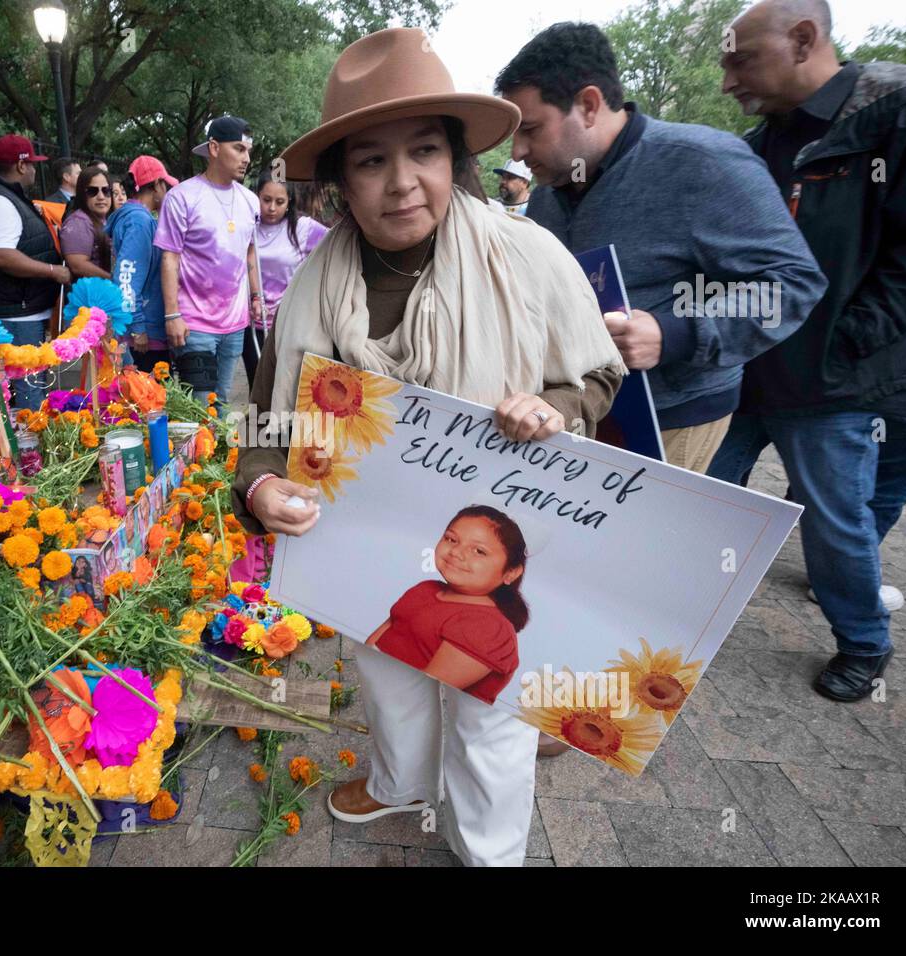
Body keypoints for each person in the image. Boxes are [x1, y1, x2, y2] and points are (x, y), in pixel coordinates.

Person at [234, 28, 625, 866]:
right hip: (368, 533)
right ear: (341, 180)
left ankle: (488, 850)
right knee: (389, 666)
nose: (403, 182)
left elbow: (596, 374)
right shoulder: (316, 281)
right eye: (371, 161)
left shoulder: (525, 255)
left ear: (455, 160)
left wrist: (551, 406)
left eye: (425, 151)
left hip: (497, 529)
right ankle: (401, 782)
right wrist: (262, 487)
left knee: (489, 704)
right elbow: (268, 419)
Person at [708, 0, 906, 701]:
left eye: (740, 59)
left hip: (835, 381)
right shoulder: (753, 146)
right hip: (745, 368)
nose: (726, 80)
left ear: (804, 39)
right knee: (698, 493)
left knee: (834, 523)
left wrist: (845, 343)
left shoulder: (902, 109)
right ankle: (672, 608)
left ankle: (864, 642)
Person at [496, 22, 826, 474]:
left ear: (589, 105)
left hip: (673, 416)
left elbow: (792, 286)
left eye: (531, 129)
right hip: (575, 408)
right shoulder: (550, 192)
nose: (519, 150)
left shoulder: (703, 163)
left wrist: (674, 333)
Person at [366, 506, 526, 706]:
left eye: (479, 551)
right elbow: (373, 644)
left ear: (511, 572)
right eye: (451, 539)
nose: (457, 552)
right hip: (373, 689)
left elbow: (423, 694)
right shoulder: (426, 589)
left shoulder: (488, 627)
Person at [156, 115, 264, 404]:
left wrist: (255, 296)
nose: (246, 159)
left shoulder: (250, 201)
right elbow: (169, 257)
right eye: (239, 149)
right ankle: (200, 451)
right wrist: (172, 315)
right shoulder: (182, 197)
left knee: (222, 400)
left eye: (248, 152)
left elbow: (249, 251)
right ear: (214, 148)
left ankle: (217, 449)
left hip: (236, 322)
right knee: (201, 406)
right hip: (194, 324)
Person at [0, 135, 69, 411]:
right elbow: (0, 255)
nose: (36, 170)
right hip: (15, 313)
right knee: (29, 391)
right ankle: (30, 449)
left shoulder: (6, 196)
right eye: (33, 164)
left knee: (34, 384)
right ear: (22, 166)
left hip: (24, 309)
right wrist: (52, 271)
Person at [247, 166, 328, 389]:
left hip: (291, 321)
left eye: (279, 202)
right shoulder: (248, 227)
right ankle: (260, 424)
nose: (272, 208)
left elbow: (338, 244)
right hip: (254, 321)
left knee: (290, 387)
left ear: (289, 202)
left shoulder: (302, 228)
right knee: (259, 387)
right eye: (266, 200)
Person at [108, 155, 178, 374]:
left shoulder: (137, 217)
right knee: (150, 402)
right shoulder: (139, 221)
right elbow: (126, 278)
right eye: (165, 185)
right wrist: (138, 328)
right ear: (157, 185)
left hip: (145, 328)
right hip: (145, 334)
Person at [60, 166, 114, 279]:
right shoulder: (78, 222)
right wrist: (113, 279)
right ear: (82, 194)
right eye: (92, 191)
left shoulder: (108, 219)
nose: (101, 197)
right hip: (91, 293)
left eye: (106, 191)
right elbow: (78, 265)